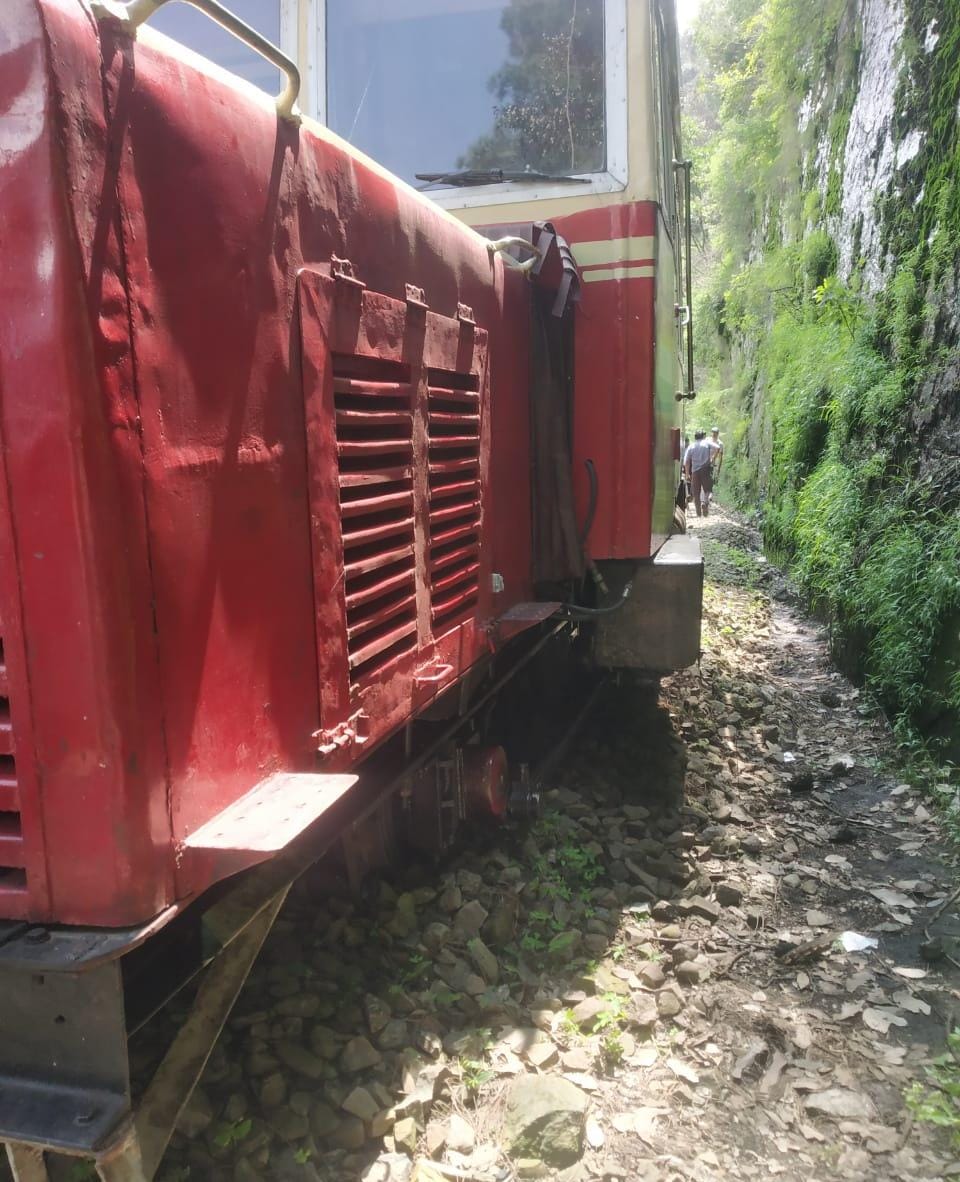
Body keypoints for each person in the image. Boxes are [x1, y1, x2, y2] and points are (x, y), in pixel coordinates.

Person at [683, 430, 719, 518]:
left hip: (695, 471)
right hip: (705, 469)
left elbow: (686, 462)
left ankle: (698, 513)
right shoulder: (707, 443)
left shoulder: (691, 446)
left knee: (696, 493)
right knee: (707, 489)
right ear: (703, 436)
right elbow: (717, 447)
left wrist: (687, 474)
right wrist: (712, 457)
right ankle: (705, 501)